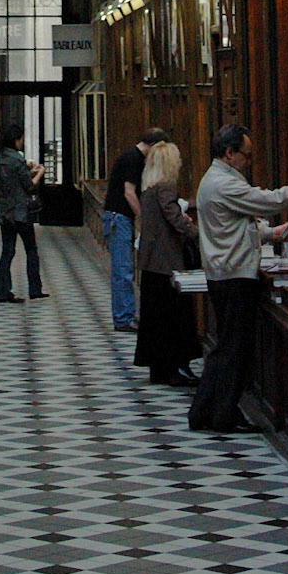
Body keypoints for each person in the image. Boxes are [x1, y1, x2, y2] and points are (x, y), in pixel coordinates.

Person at [188, 125, 288, 434]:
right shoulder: (224, 183)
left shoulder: (216, 181)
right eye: (247, 156)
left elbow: (235, 225)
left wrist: (271, 233)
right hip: (234, 277)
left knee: (229, 347)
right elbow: (269, 201)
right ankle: (217, 413)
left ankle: (209, 411)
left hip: (226, 273)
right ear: (229, 153)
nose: (249, 162)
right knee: (233, 349)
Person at [133, 140, 200, 386]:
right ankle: (175, 368)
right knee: (174, 318)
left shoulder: (148, 189)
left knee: (155, 319)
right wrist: (196, 232)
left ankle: (159, 368)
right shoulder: (165, 188)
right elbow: (175, 220)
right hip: (166, 264)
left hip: (151, 263)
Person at [101, 127, 165, 331]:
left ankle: (126, 315)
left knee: (124, 269)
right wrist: (144, 219)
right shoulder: (133, 159)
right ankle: (124, 318)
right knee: (123, 269)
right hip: (118, 218)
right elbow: (129, 192)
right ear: (154, 146)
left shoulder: (132, 156)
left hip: (118, 218)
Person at [0, 125, 48, 303]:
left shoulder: (0, 158)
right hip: (20, 212)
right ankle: (35, 288)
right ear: (16, 140)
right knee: (31, 250)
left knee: (7, 252)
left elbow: (12, 180)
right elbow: (29, 185)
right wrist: (40, 173)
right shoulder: (18, 159)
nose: (22, 142)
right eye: (21, 139)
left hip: (4, 211)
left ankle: (3, 291)